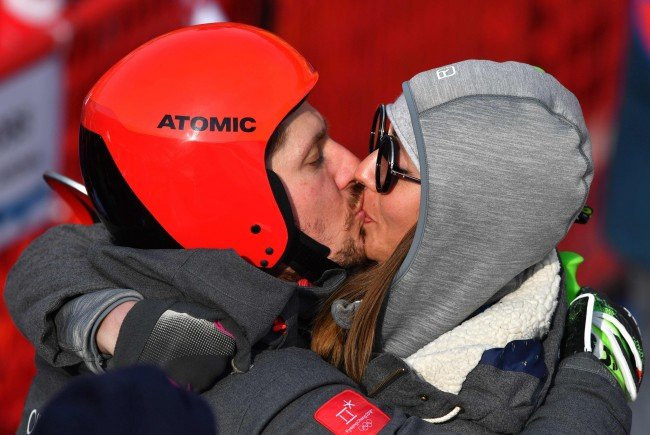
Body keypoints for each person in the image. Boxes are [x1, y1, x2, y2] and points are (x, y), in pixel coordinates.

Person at [5, 29, 637, 434]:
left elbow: (63, 256)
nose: (351, 168)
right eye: (314, 158)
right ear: (237, 203)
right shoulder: (268, 391)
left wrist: (95, 317)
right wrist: (597, 374)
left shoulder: (139, 271)